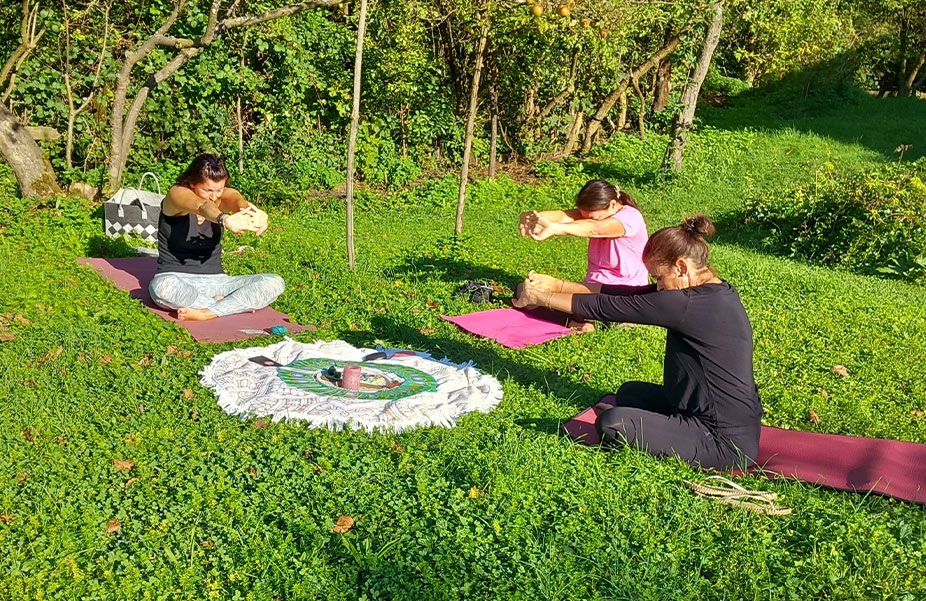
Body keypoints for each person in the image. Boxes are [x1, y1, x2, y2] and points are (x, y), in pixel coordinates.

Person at [513, 215, 762, 470]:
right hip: (705, 412)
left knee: (612, 423)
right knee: (630, 392)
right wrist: (558, 284)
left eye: (659, 278)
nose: (658, 287)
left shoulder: (687, 304)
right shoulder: (712, 291)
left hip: (724, 441)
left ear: (681, 267)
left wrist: (543, 298)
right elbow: (625, 295)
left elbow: (610, 308)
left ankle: (688, 434)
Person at [148, 154, 285, 321]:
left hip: (218, 282)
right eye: (207, 190)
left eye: (219, 190)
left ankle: (208, 311)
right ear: (192, 183)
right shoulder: (177, 195)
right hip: (176, 279)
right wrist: (224, 219)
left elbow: (236, 199)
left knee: (274, 282)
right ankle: (228, 306)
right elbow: (200, 205)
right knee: (161, 288)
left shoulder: (220, 197)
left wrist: (253, 213)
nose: (214, 196)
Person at [518, 179, 649, 287]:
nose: (586, 220)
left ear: (613, 204)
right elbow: (564, 216)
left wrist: (555, 229)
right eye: (584, 216)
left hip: (624, 290)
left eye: (592, 217)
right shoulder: (599, 212)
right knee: (526, 289)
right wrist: (533, 217)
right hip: (593, 286)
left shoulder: (630, 217)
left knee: (543, 294)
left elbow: (595, 228)